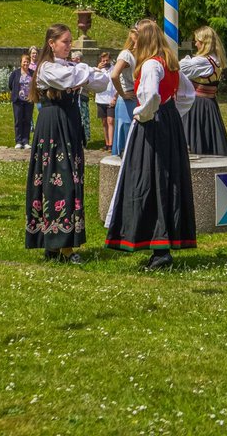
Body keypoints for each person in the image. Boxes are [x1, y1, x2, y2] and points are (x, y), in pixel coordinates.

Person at [105, 19, 197, 269]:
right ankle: (163, 245)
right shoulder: (170, 64)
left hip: (152, 127)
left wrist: (143, 114)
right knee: (167, 182)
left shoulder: (150, 66)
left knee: (149, 180)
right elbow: (188, 95)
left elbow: (150, 95)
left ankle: (158, 246)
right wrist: (172, 112)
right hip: (169, 124)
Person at [25, 24, 111, 262]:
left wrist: (82, 71)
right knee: (55, 181)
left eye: (70, 41)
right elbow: (67, 79)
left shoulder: (70, 67)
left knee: (72, 180)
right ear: (51, 43)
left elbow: (102, 81)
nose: (69, 46)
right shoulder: (46, 68)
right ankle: (57, 246)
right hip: (53, 126)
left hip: (70, 126)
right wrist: (84, 70)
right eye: (65, 41)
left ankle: (62, 246)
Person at [179, 26, 227, 156]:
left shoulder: (202, 61)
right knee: (209, 137)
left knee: (195, 138)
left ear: (204, 43)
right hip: (210, 104)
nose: (195, 44)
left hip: (198, 105)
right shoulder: (216, 59)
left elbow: (179, 68)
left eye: (197, 41)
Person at [111, 28, 137, 156]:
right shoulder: (127, 54)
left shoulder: (141, 54)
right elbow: (114, 75)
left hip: (136, 97)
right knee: (127, 131)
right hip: (128, 97)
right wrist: (122, 94)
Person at [9, 54, 34, 148]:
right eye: (24, 62)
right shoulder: (15, 73)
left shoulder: (32, 73)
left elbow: (35, 85)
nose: (26, 63)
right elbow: (10, 84)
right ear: (21, 63)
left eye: (27, 62)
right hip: (18, 101)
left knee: (27, 120)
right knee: (18, 120)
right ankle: (18, 141)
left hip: (29, 101)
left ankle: (26, 141)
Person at [94, 51, 116, 151]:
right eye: (103, 60)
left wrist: (115, 98)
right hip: (100, 98)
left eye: (107, 60)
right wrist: (97, 69)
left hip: (111, 99)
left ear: (110, 60)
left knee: (110, 121)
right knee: (104, 122)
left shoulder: (114, 69)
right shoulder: (98, 70)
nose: (105, 62)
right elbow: (92, 80)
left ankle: (111, 144)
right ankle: (106, 142)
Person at [70, 50, 91, 144]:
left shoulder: (84, 68)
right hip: (74, 98)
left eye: (73, 58)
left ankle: (84, 139)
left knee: (84, 118)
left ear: (78, 59)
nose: (71, 60)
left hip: (82, 97)